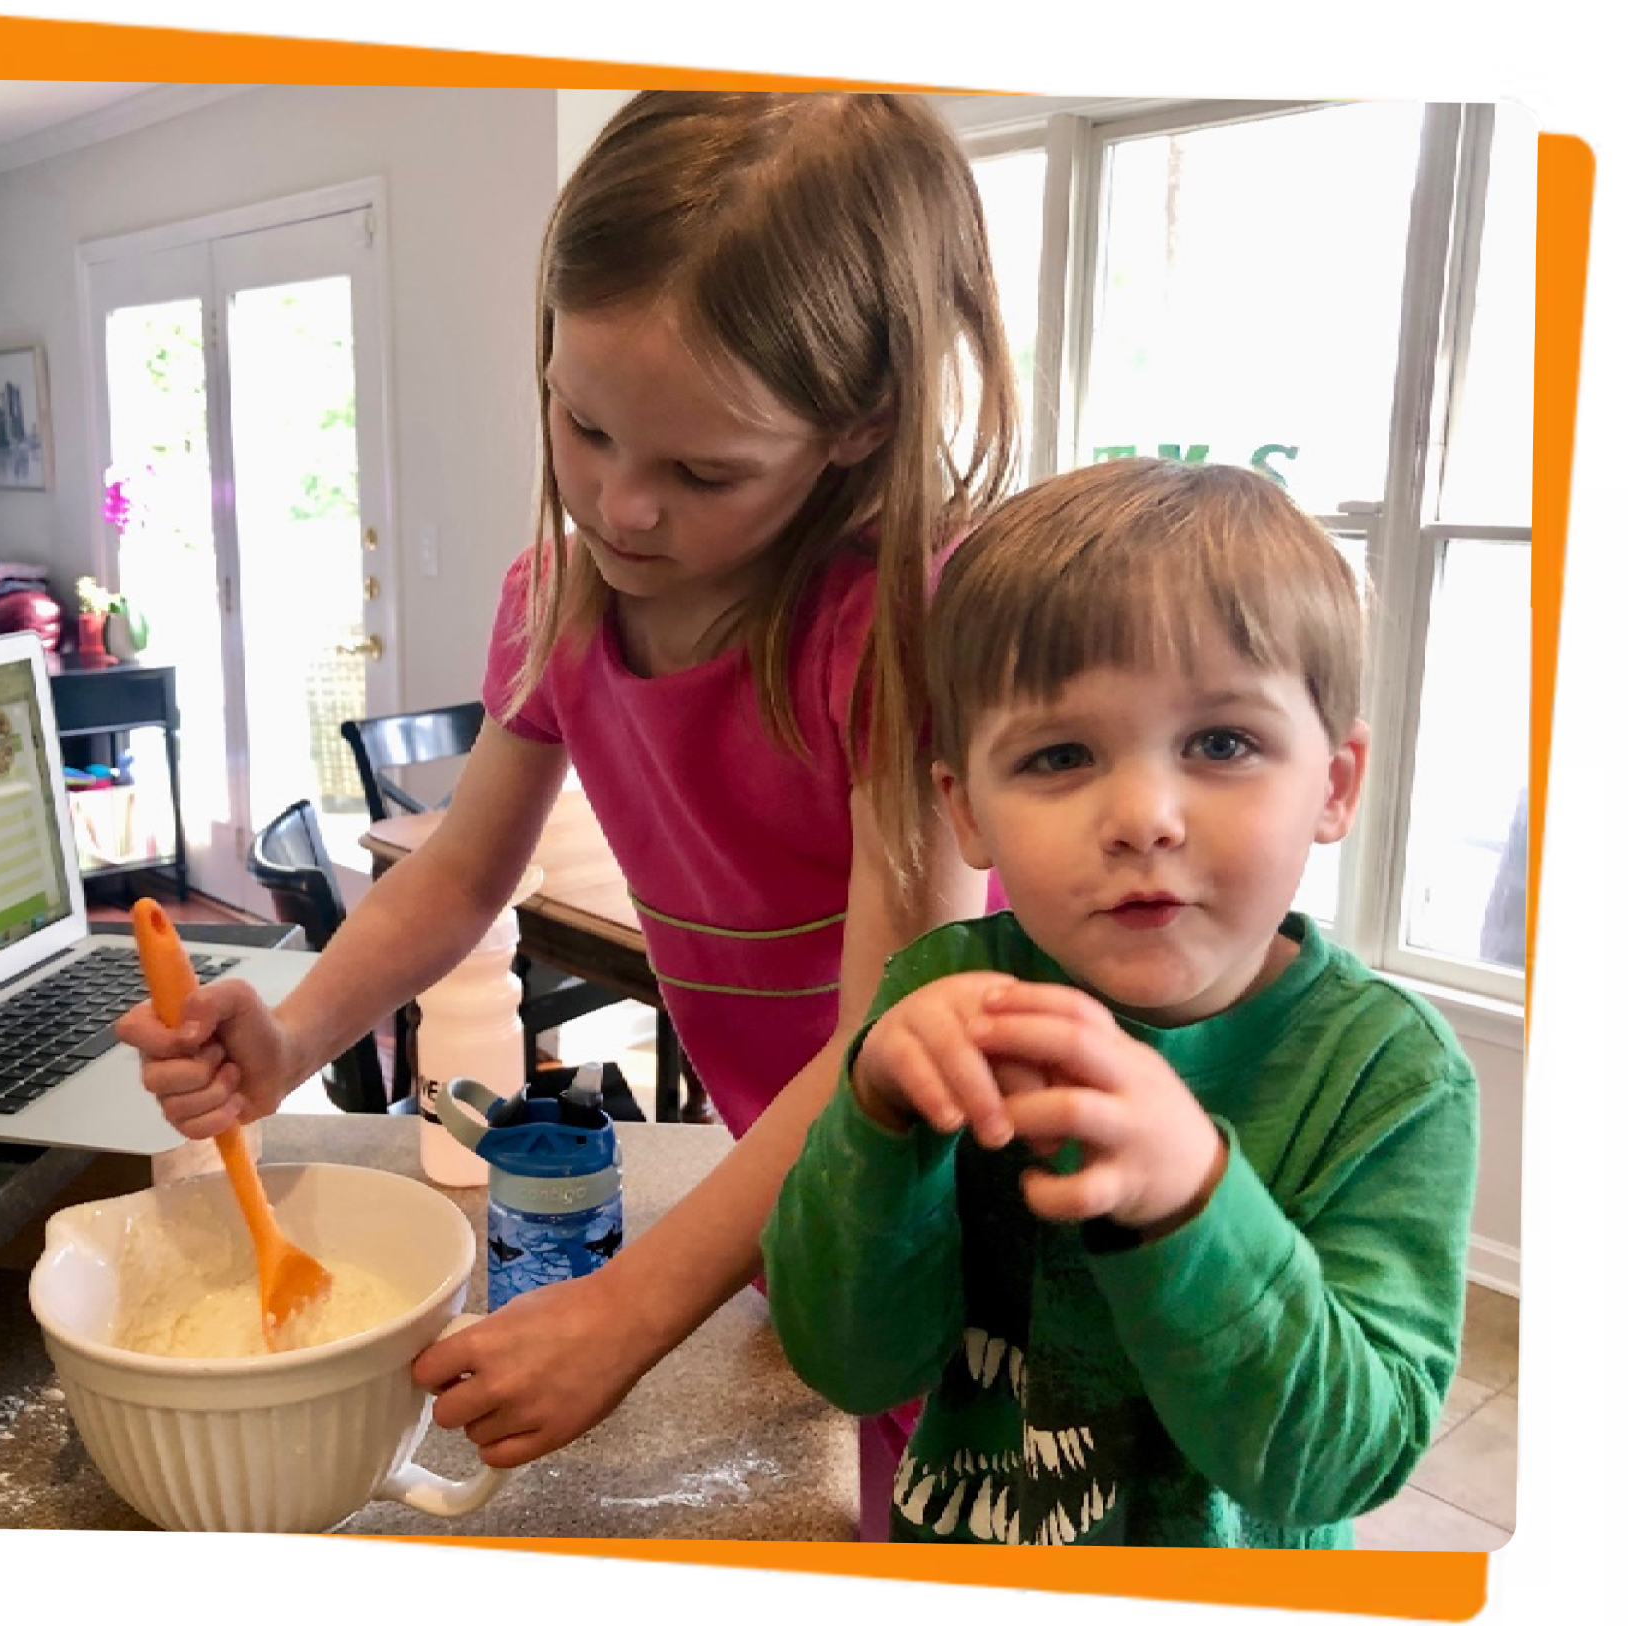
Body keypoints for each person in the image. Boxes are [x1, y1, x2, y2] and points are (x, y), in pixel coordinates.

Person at [114, 89, 1020, 1536]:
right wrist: (293, 1031)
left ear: (857, 426)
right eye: (583, 422)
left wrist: (632, 1308)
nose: (620, 504)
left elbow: (883, 1033)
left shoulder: (905, 626)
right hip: (811, 1203)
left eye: (701, 470)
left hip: (991, 1221)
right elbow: (461, 872)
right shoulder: (559, 602)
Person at [762, 457, 1480, 1547]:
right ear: (967, 812)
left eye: (1222, 743)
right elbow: (848, 1364)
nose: (1144, 815)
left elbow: (1345, 1461)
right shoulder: (945, 999)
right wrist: (877, 1123)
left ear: (1333, 785)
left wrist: (1196, 1193)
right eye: (1060, 754)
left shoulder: (1391, 1077)